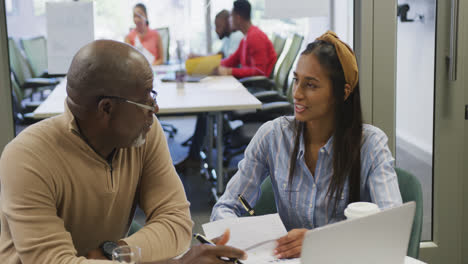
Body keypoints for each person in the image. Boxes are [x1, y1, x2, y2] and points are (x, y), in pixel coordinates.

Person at [0, 40, 246, 264]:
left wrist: (115, 251)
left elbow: (176, 221)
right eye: (146, 99)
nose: (155, 108)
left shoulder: (144, 134)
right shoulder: (27, 158)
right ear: (106, 108)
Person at [211, 31, 403, 259]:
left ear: (343, 93)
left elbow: (393, 230)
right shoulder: (273, 136)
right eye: (296, 80)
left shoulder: (370, 144)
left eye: (311, 85)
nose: (297, 94)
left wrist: (320, 241)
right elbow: (225, 208)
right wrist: (241, 239)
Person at [213, 0, 277, 78]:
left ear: (238, 18)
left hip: (256, 87)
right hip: (249, 84)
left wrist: (229, 71)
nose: (229, 20)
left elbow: (259, 72)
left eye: (231, 16)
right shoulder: (245, 39)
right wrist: (211, 65)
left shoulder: (255, 37)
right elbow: (231, 61)